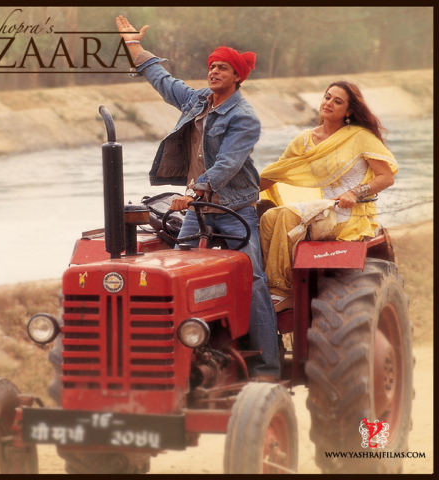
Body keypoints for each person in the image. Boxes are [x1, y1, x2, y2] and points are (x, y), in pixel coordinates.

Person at [116, 15, 280, 382]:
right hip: (199, 209)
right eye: (211, 66)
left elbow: (227, 164)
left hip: (234, 209)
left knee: (253, 279)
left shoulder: (245, 117)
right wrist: (134, 46)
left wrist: (192, 192)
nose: (214, 71)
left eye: (222, 67)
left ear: (237, 76)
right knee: (177, 273)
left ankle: (267, 367)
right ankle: (176, 357)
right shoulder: (198, 101)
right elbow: (164, 81)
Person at [259, 81, 398, 311]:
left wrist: (355, 192)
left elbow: (386, 177)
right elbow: (277, 172)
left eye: (338, 101)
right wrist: (236, 192)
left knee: (284, 216)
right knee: (267, 218)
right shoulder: (305, 139)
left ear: (349, 111)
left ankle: (282, 292)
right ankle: (265, 286)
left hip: (350, 214)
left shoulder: (360, 137)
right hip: (322, 210)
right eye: (327, 97)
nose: (329, 103)